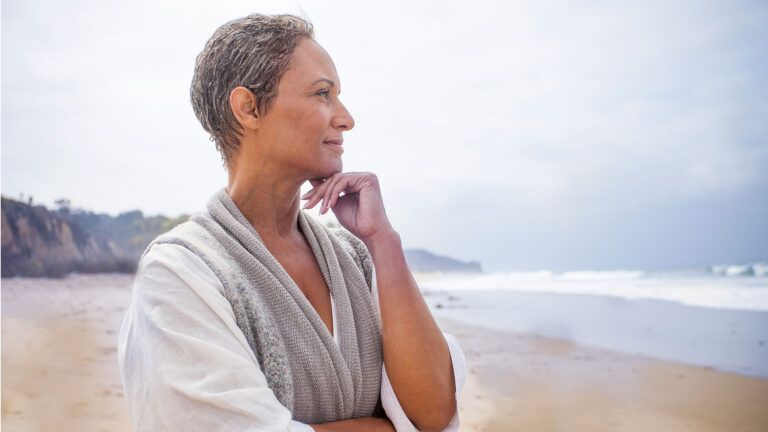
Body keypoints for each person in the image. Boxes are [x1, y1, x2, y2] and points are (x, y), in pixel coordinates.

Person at [117, 13, 466, 432]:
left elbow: (433, 414)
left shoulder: (356, 257)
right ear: (248, 108)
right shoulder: (180, 273)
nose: (346, 118)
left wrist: (383, 240)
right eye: (323, 94)